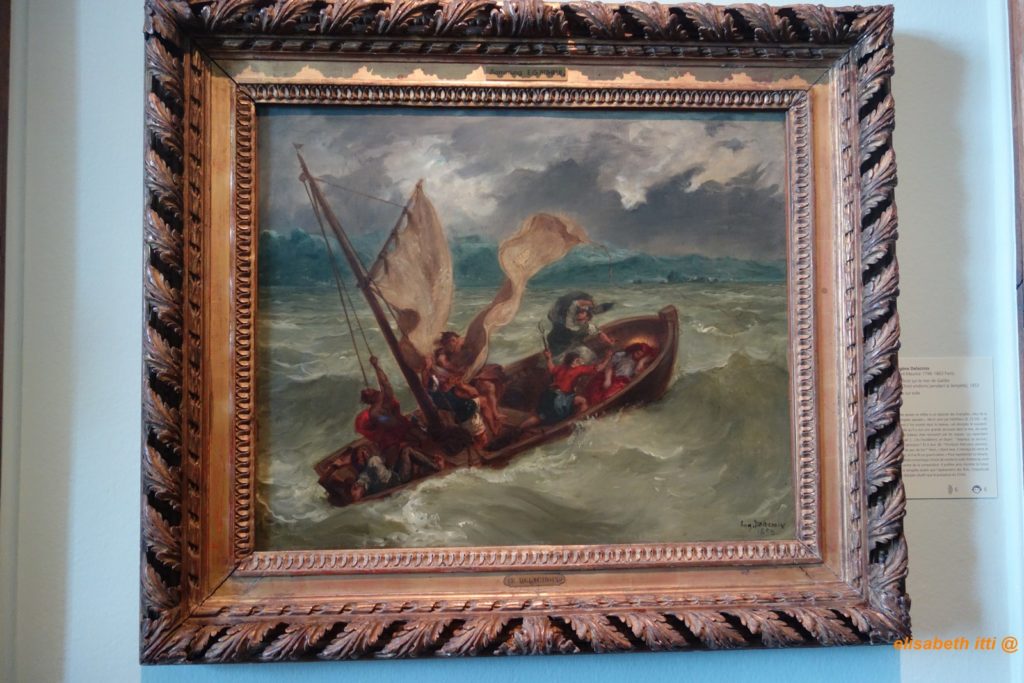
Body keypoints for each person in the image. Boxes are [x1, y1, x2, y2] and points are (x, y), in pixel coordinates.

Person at [355, 356, 442, 481]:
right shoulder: (374, 412)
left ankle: (429, 461)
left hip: (403, 427)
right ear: (370, 399)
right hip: (390, 438)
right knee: (396, 460)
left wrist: (376, 366)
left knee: (423, 438)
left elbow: (385, 383)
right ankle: (419, 468)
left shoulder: (386, 400)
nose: (375, 390)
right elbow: (389, 423)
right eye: (371, 392)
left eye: (372, 390)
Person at [519, 349, 611, 430]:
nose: (581, 361)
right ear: (574, 361)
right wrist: (607, 358)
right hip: (560, 399)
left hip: (547, 396)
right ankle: (579, 424)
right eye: (579, 360)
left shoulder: (561, 368)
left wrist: (548, 358)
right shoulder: (578, 369)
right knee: (582, 401)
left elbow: (551, 369)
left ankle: (519, 429)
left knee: (540, 417)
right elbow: (598, 368)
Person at [584, 342, 658, 405]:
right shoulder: (622, 355)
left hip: (623, 383)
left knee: (610, 395)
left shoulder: (640, 364)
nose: (638, 356)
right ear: (634, 350)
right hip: (611, 377)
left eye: (641, 356)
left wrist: (641, 362)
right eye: (637, 353)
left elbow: (636, 377)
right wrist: (607, 379)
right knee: (596, 394)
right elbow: (609, 367)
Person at [545, 292, 614, 359]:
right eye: (579, 311)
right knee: (588, 356)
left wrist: (608, 341)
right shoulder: (569, 324)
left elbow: (599, 333)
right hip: (559, 352)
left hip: (566, 347)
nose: (581, 314)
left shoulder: (585, 325)